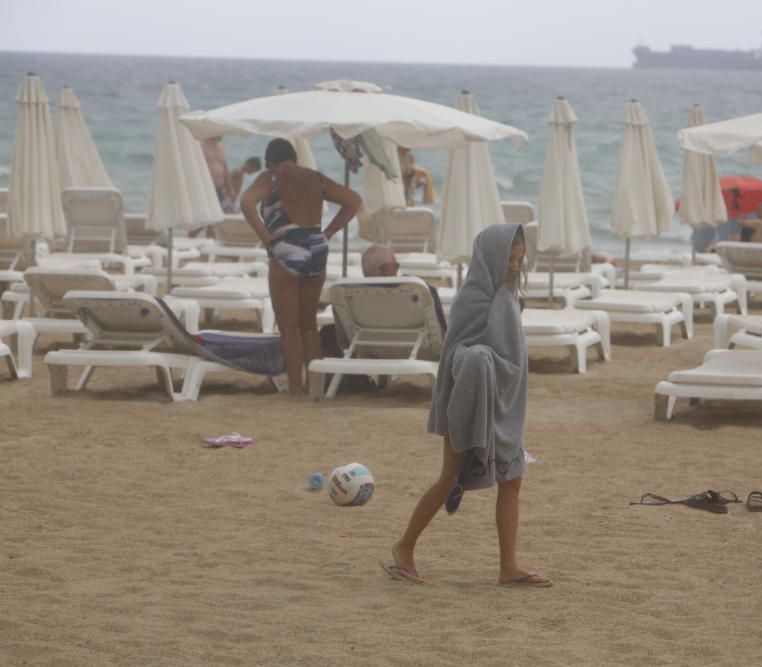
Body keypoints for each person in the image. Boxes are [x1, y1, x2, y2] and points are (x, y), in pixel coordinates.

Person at [384, 224, 550, 588]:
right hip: (468, 404)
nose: (515, 267)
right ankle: (403, 547)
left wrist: (495, 365)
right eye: (509, 259)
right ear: (489, 256)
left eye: (520, 259)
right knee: (448, 478)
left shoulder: (507, 295)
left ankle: (509, 566)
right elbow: (457, 356)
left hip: (503, 405)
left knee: (512, 481)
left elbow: (509, 351)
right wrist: (480, 360)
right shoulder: (473, 299)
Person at [240, 138, 361, 396]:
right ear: (294, 157)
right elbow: (353, 200)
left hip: (286, 248)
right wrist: (328, 231)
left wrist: (264, 235)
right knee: (308, 325)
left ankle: (295, 389)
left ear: (270, 159)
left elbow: (246, 202)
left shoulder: (270, 177)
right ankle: (314, 387)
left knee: (288, 327)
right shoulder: (315, 178)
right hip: (316, 248)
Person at [201, 137, 232, 207]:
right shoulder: (202, 146)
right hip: (206, 188)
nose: (223, 135)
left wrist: (230, 188)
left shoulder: (221, 149)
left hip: (219, 189)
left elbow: (226, 171)